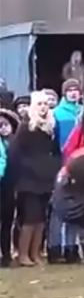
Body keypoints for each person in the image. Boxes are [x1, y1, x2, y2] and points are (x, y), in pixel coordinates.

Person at [10, 91, 61, 266]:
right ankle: (23, 254)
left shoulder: (50, 127)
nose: (43, 107)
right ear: (34, 106)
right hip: (28, 181)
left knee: (41, 219)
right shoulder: (26, 126)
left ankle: (36, 253)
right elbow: (16, 152)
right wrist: (25, 171)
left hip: (45, 180)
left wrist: (54, 167)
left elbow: (54, 152)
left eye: (46, 104)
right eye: (40, 104)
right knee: (31, 217)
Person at [49, 80, 83, 264]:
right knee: (57, 207)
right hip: (61, 163)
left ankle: (72, 248)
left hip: (80, 165)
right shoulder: (57, 114)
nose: (73, 93)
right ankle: (54, 248)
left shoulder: (83, 112)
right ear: (64, 93)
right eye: (69, 90)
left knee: (75, 206)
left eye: (76, 90)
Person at [0, 108, 19, 267]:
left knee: (7, 222)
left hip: (10, 187)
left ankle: (6, 254)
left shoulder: (15, 143)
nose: (3, 128)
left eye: (6, 124)